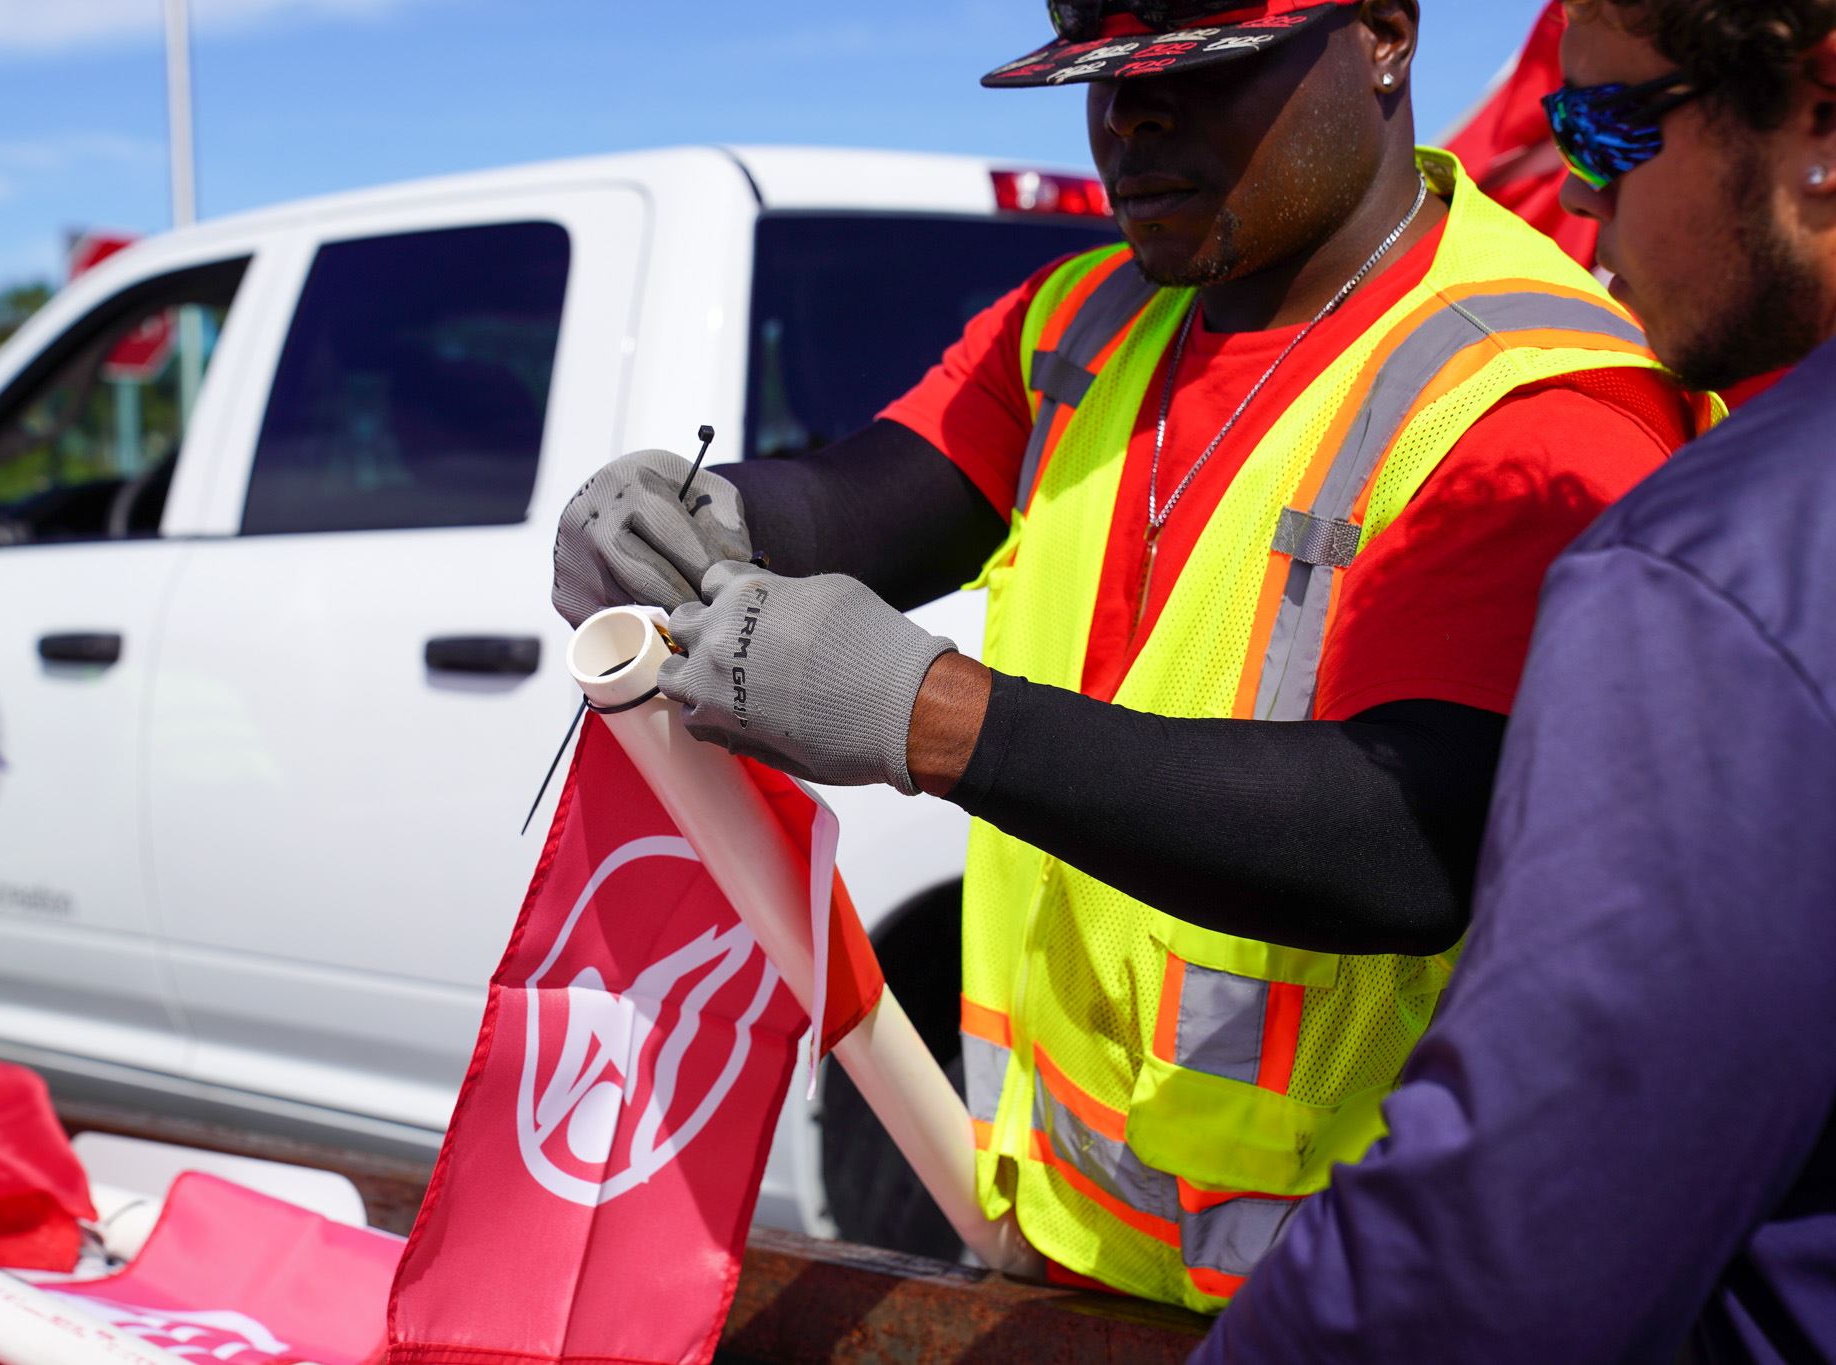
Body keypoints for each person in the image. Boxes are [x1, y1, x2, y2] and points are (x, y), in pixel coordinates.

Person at [552, 0, 1712, 1312]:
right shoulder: (1084, 327)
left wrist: (935, 716)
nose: (1132, 119)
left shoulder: (1531, 394)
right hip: (1079, 1248)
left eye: (1200, 68)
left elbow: (1413, 835)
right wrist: (711, 520)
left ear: (1384, 32)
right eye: (1102, 79)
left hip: (1366, 1295)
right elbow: (869, 500)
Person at [1192, 1, 1836, 1359]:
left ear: (1822, 118)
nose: (1578, 188)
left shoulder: (1715, 576)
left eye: (1607, 124)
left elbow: (1499, 1263)